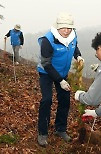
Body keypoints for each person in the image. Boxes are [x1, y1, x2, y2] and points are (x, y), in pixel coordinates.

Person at [37, 12, 84, 147]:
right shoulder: (48, 40)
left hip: (63, 73)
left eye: (69, 27)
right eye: (63, 27)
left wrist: (78, 56)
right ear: (57, 27)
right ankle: (42, 133)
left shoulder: (73, 35)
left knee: (65, 100)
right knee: (47, 100)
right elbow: (46, 64)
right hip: (47, 72)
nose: (66, 30)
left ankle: (60, 129)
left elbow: (74, 47)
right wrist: (60, 81)